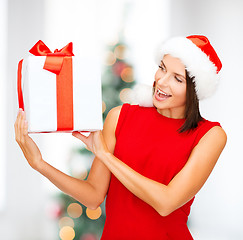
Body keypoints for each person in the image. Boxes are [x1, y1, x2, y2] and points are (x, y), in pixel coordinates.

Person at [15, 35, 227, 239]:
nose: (161, 81)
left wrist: (106, 156)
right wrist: (39, 164)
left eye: (177, 78)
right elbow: (93, 197)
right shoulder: (120, 117)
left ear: (195, 90)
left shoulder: (210, 135)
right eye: (162, 68)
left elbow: (166, 202)